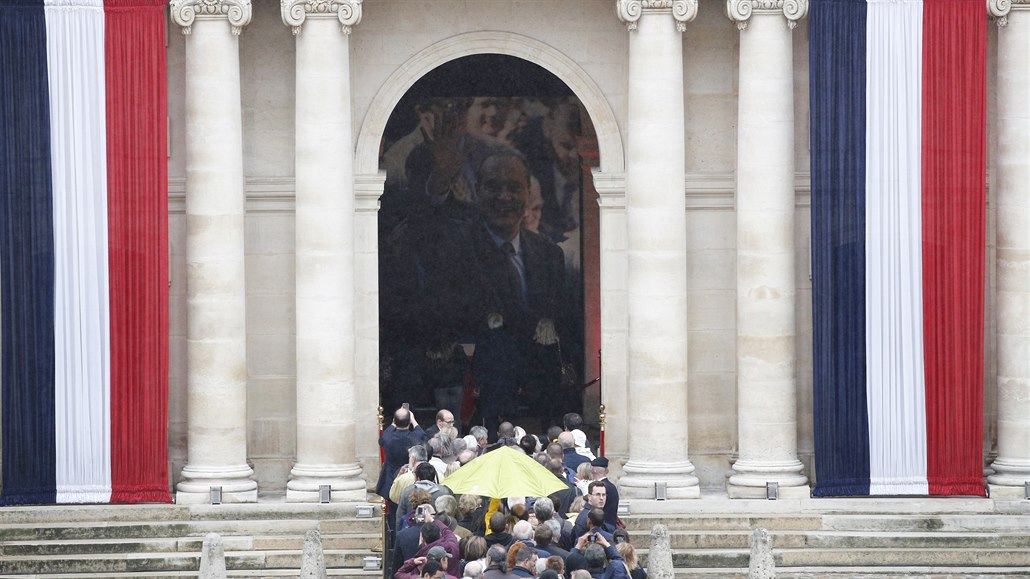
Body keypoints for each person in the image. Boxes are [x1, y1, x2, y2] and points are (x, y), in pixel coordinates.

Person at [379, 407, 428, 524]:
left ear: (394, 421)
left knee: (393, 517)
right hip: (410, 479)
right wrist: (414, 421)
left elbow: (383, 439)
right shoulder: (414, 437)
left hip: (392, 480)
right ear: (409, 420)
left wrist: (393, 424)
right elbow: (423, 435)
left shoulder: (388, 437)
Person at [590, 458, 619, 529]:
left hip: (603, 526)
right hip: (610, 525)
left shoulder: (600, 488)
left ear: (593, 470)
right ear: (606, 471)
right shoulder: (612, 486)